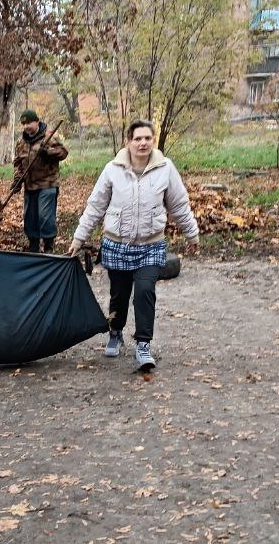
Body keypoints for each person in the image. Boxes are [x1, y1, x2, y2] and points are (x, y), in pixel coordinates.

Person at [69, 119, 199, 371]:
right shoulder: (112, 169)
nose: (143, 143)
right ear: (128, 141)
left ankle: (143, 345)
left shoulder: (165, 168)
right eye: (137, 138)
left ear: (153, 141)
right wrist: (79, 238)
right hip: (117, 245)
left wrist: (192, 234)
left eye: (147, 138)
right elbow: (95, 207)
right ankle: (115, 331)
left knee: (144, 291)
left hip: (151, 245)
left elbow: (179, 205)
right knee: (119, 295)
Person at [12, 109, 68, 252]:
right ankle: (33, 245)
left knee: (45, 216)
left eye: (29, 122)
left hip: (47, 184)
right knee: (29, 217)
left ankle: (49, 245)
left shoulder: (49, 136)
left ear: (37, 121)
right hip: (29, 186)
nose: (26, 126)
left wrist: (49, 152)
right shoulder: (21, 141)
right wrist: (17, 180)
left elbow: (63, 152)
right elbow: (18, 163)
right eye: (23, 124)